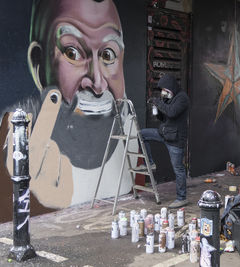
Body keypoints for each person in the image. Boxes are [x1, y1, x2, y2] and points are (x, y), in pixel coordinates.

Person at [4, 0, 128, 208]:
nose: (98, 83)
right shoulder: (12, 134)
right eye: (73, 53)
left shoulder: (131, 136)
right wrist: (27, 200)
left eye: (108, 55)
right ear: (39, 66)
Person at [136, 74, 190, 209]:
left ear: (171, 87)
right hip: (164, 133)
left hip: (176, 139)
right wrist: (157, 108)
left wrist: (159, 102)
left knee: (178, 169)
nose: (163, 92)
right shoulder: (169, 99)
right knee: (141, 134)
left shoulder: (182, 98)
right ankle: (150, 163)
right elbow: (164, 117)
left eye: (165, 89)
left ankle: (181, 198)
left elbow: (172, 113)